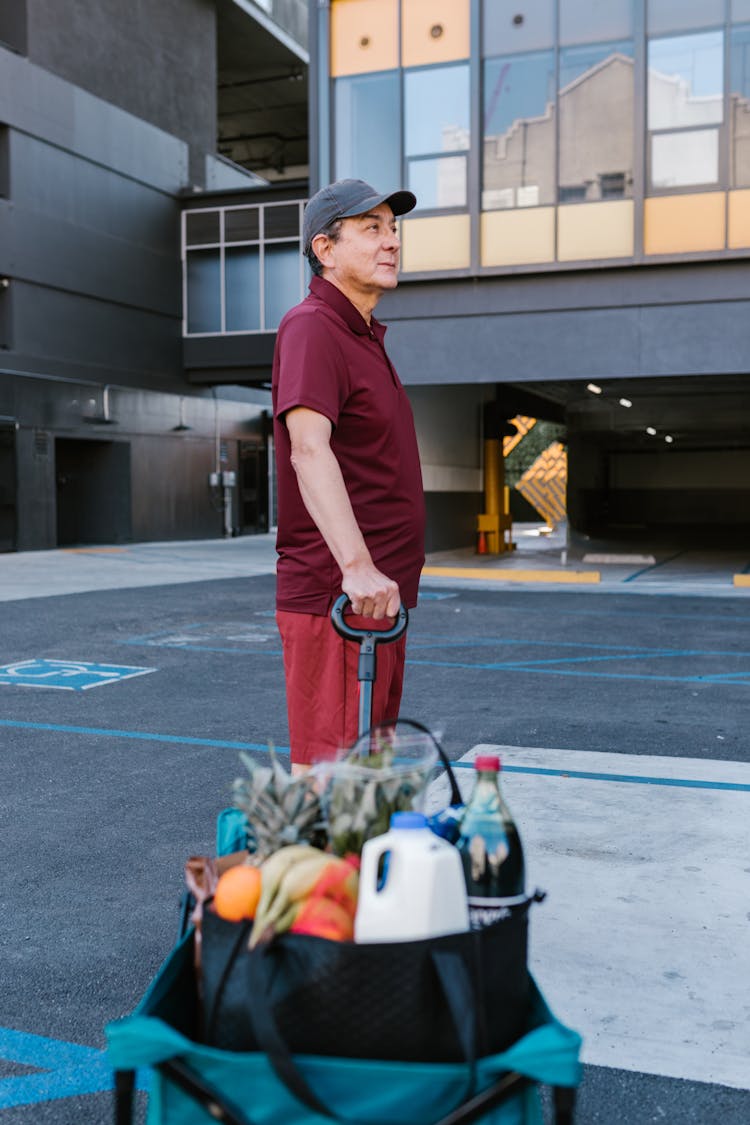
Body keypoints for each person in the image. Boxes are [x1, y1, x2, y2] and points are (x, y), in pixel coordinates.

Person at [272, 178, 426, 774]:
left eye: (393, 228)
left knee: (366, 781)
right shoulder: (312, 325)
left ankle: (357, 870)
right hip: (339, 598)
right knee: (332, 782)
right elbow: (308, 451)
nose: (390, 242)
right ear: (326, 248)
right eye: (371, 229)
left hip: (377, 601)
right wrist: (357, 567)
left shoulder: (364, 337)